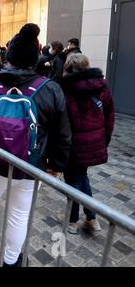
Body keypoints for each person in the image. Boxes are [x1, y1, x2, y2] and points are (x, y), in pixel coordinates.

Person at [0, 24, 71, 267]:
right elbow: (63, 133)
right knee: (18, 215)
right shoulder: (51, 89)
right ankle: (10, 261)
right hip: (30, 166)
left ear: (9, 57)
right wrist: (56, 165)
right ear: (36, 59)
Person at [58, 53, 115, 235]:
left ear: (67, 68)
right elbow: (110, 117)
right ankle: (91, 218)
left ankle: (74, 220)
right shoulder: (102, 88)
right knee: (82, 177)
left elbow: (62, 123)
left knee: (73, 180)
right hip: (95, 141)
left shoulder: (65, 89)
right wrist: (104, 139)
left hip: (73, 144)